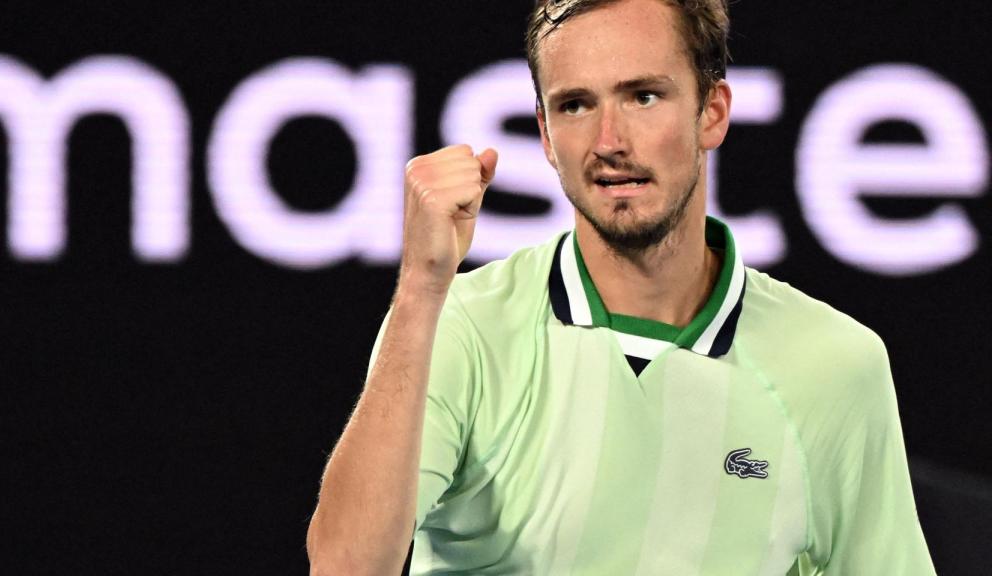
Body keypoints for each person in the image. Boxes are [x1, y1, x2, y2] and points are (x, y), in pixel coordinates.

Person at [307, 0, 936, 573]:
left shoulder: (836, 365)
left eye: (643, 96)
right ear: (547, 136)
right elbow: (344, 567)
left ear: (711, 112)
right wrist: (420, 287)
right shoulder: (460, 327)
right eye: (575, 104)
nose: (609, 143)